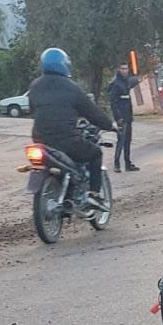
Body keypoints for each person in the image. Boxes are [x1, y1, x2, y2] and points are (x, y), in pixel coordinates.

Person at [26, 47, 115, 206]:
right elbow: (91, 112)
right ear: (64, 64)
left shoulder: (35, 86)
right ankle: (94, 194)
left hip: (41, 140)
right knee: (95, 153)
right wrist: (110, 125)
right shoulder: (71, 88)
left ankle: (64, 188)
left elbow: (33, 108)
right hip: (66, 141)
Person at [106, 62, 141, 173]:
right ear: (118, 69)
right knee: (121, 141)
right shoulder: (116, 84)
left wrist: (137, 76)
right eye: (122, 68)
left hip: (128, 116)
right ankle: (116, 164)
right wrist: (118, 117)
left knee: (127, 141)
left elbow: (134, 81)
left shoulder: (126, 82)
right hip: (122, 117)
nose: (125, 70)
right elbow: (113, 103)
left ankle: (127, 163)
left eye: (126, 68)